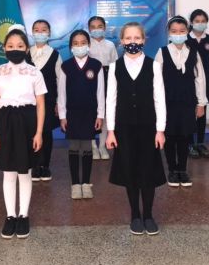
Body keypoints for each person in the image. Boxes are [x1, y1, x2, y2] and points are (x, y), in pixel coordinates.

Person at [106, 22, 166, 236]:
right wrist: (110, 131)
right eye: (128, 38)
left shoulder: (154, 66)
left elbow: (159, 99)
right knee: (130, 171)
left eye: (137, 38)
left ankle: (148, 215)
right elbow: (111, 100)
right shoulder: (114, 67)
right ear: (122, 41)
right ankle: (135, 215)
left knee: (148, 172)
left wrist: (160, 130)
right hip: (124, 128)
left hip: (148, 127)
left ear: (144, 40)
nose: (133, 42)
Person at [0, 25, 46, 239]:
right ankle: (10, 215)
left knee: (25, 172)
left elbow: (41, 104)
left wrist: (39, 133)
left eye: (20, 46)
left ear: (27, 49)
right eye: (11, 46)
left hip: (27, 121)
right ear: (4, 48)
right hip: (5, 122)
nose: (15, 49)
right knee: (8, 172)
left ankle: (24, 215)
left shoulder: (34, 72)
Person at [157, 16, 207, 188]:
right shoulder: (162, 52)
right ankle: (172, 169)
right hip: (168, 102)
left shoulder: (193, 52)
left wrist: (201, 103)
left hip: (187, 101)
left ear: (187, 31)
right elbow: (156, 80)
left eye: (182, 31)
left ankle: (182, 170)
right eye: (174, 31)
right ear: (169, 33)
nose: (178, 34)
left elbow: (200, 79)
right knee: (170, 136)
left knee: (185, 136)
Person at [58, 30, 105, 199]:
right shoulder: (66, 67)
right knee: (73, 148)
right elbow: (61, 93)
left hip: (90, 113)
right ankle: (75, 184)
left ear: (89, 45)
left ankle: (86, 183)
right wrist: (62, 116)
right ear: (71, 46)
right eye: (76, 43)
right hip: (72, 114)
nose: (80, 46)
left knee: (86, 148)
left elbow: (100, 92)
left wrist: (100, 115)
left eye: (83, 42)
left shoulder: (96, 65)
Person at [27, 19, 61, 182]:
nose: (40, 33)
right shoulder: (26, 53)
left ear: (49, 33)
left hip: (48, 101)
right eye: (36, 30)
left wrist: (59, 102)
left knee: (46, 132)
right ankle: (34, 165)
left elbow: (60, 80)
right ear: (32, 33)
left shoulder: (55, 54)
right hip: (28, 100)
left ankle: (45, 166)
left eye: (44, 30)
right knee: (31, 131)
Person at [186, 9, 209, 159]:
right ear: (191, 23)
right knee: (189, 113)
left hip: (205, 83)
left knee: (202, 113)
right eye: (197, 21)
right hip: (188, 81)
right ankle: (190, 144)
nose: (200, 23)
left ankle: (200, 143)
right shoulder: (184, 38)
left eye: (203, 21)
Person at [87, 15, 118, 160]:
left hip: (107, 76)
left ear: (104, 28)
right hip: (90, 78)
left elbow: (115, 64)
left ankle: (102, 145)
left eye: (99, 27)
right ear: (89, 29)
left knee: (105, 112)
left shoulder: (110, 45)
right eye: (93, 27)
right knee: (92, 112)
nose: (96, 30)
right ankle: (93, 146)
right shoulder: (86, 44)